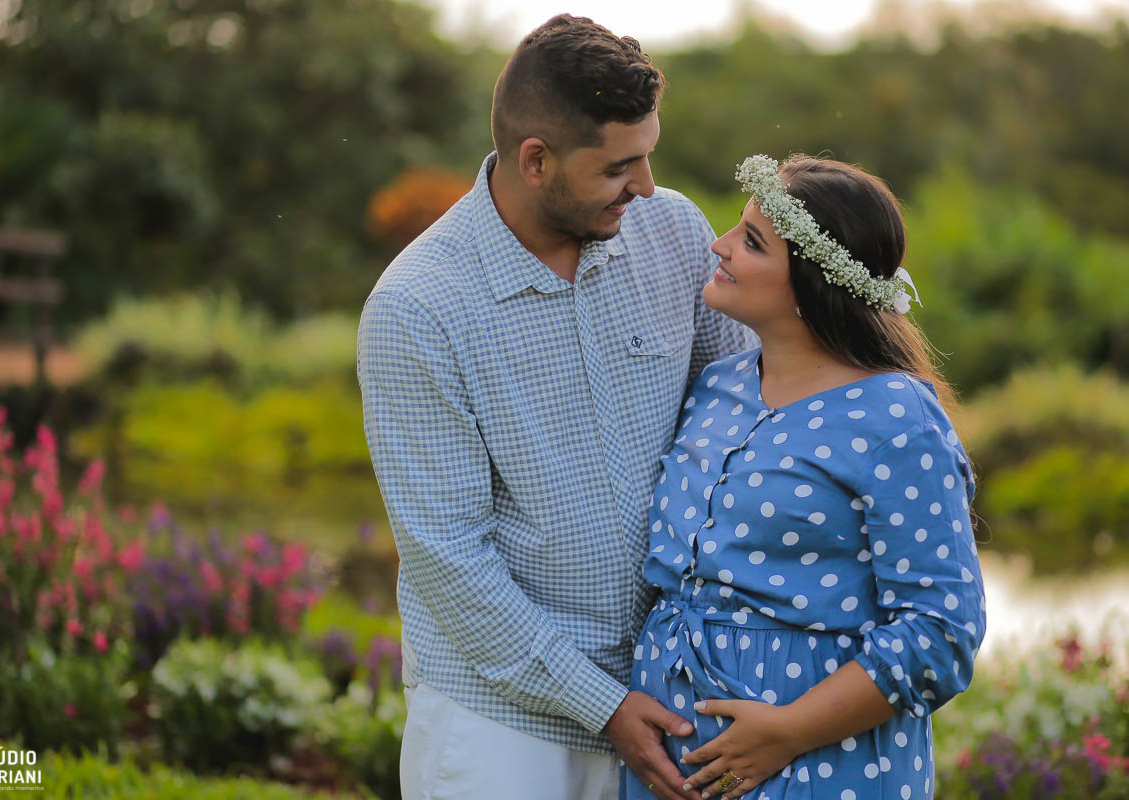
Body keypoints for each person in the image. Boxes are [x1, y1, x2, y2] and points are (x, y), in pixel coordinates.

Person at [356, 14, 755, 800]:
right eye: (619, 167)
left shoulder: (673, 232)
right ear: (536, 161)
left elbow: (744, 417)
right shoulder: (418, 307)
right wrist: (604, 707)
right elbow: (450, 561)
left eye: (649, 156)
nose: (645, 185)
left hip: (670, 693)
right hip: (496, 727)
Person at [622, 154, 986, 800]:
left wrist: (788, 730)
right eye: (738, 227)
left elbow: (941, 631)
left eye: (752, 242)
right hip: (673, 762)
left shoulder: (895, 418)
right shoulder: (718, 386)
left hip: (821, 767)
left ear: (813, 284)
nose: (721, 245)